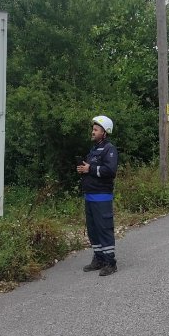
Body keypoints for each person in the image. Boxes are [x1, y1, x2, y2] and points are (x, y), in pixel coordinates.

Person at [77, 115, 119, 276]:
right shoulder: (93, 150)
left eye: (96, 129)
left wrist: (91, 169)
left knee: (104, 229)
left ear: (104, 132)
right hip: (90, 196)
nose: (92, 132)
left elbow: (110, 171)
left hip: (102, 196)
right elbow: (92, 170)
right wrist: (84, 170)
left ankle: (110, 263)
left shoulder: (109, 149)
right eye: (93, 129)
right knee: (93, 230)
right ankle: (99, 258)